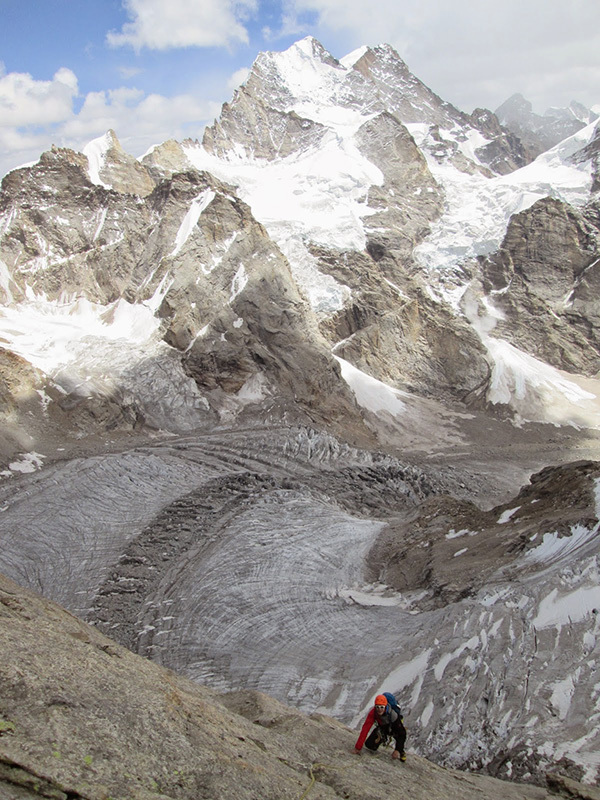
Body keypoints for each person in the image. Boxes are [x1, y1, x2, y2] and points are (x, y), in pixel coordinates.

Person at [353, 694, 406, 761]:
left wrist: (397, 750)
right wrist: (358, 747)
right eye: (377, 707)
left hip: (393, 727)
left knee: (398, 736)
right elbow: (365, 729)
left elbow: (402, 734)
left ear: (385, 706)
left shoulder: (393, 715)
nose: (379, 709)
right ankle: (384, 738)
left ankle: (401, 751)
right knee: (369, 745)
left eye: (381, 707)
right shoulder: (373, 713)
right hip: (383, 727)